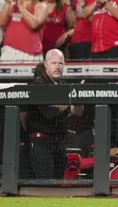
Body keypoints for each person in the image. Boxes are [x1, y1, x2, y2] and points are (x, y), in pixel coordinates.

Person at [20, 49, 83, 179]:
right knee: (45, 181)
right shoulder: (38, 85)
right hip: (40, 142)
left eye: (60, 63)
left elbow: (76, 113)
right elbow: (50, 112)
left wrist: (78, 100)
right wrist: (70, 99)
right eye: (54, 63)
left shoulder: (65, 86)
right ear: (46, 65)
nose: (58, 67)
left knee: (58, 181)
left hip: (59, 142)